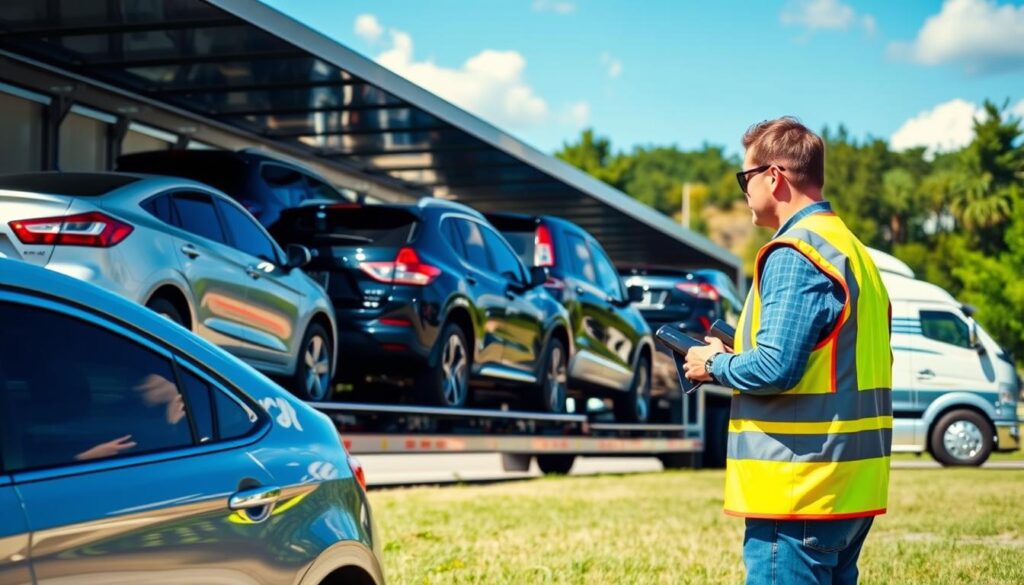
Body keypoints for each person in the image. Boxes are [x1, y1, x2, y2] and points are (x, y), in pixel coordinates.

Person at [684, 117, 892, 585]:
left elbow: (778, 368)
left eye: (745, 178)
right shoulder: (852, 251)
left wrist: (713, 363)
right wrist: (741, 351)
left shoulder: (795, 252)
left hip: (797, 492)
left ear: (773, 177)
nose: (744, 191)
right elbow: (825, 355)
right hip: (847, 487)